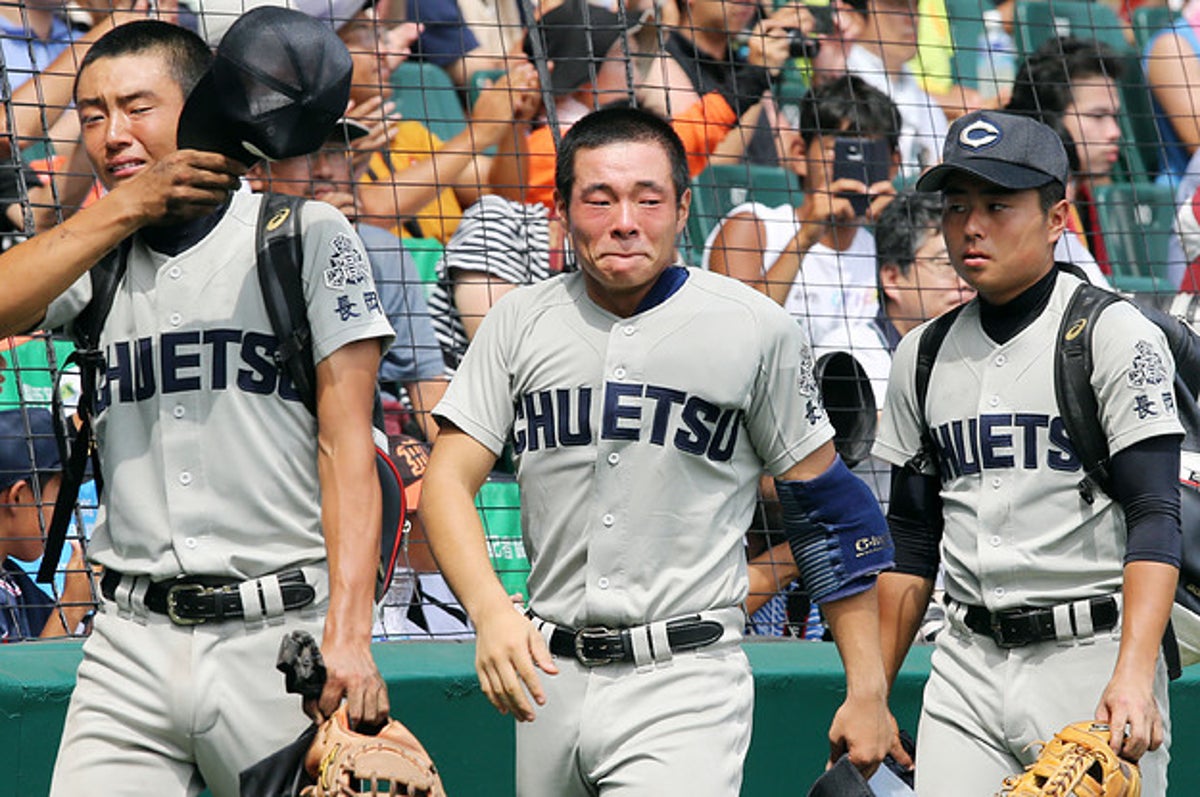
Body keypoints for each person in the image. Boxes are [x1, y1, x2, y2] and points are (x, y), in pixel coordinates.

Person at [420, 106, 904, 795]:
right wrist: (493, 611)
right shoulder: (516, 323)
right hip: (547, 677)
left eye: (648, 199)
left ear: (682, 210)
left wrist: (867, 686)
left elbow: (829, 509)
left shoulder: (754, 327)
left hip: (685, 677)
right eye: (600, 198)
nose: (625, 220)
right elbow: (445, 483)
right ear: (561, 211)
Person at [0, 18, 392, 796]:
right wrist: (124, 207)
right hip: (128, 645)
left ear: (203, 105)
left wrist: (351, 632)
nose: (113, 132)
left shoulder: (304, 235)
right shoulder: (95, 253)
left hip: (279, 638)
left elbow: (348, 450)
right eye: (92, 114)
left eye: (137, 106)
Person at [873, 110, 1181, 795]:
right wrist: (872, 689)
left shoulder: (1112, 333)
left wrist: (1132, 674)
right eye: (956, 206)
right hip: (964, 667)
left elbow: (1156, 512)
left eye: (997, 205)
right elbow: (912, 541)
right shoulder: (919, 356)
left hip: (1090, 656)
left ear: (1057, 217)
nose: (971, 226)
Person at [247, 119, 448, 441]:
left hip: (367, 433)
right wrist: (309, 243)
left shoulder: (383, 250)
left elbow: (426, 384)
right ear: (257, 171)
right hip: (264, 427)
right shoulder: (237, 249)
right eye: (306, 152)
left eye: (337, 152)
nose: (325, 169)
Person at [705, 75, 900, 348]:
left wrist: (895, 234)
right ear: (799, 154)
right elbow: (736, 339)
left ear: (894, 164)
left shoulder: (891, 252)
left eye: (870, 153)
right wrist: (805, 238)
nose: (857, 167)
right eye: (841, 150)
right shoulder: (753, 227)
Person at [1006, 36, 1121, 286]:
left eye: (1115, 117)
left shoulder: (1084, 198)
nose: (1115, 132)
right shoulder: (1022, 220)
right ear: (1049, 120)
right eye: (1098, 116)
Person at [0, 407, 95, 640]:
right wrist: (72, 604)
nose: (67, 512)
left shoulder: (11, 575)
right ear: (18, 497)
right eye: (59, 496)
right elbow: (22, 676)